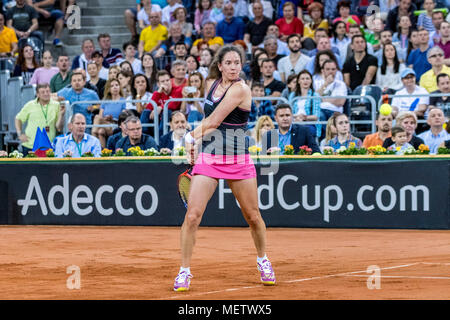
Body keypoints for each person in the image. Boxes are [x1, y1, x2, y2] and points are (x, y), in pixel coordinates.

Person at [174, 45, 275, 292]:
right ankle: (184, 271)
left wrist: (190, 137)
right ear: (220, 65)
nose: (233, 67)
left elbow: (215, 120)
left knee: (253, 217)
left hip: (238, 158)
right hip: (210, 157)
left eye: (237, 63)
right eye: (228, 63)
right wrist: (199, 142)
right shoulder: (212, 84)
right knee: (192, 216)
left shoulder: (241, 89)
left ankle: (263, 260)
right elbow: (212, 124)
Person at [15, 83, 65, 155]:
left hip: (48, 146)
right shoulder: (30, 105)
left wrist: (61, 114)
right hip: (30, 145)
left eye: (48, 91)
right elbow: (18, 119)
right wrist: (19, 134)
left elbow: (58, 128)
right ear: (37, 94)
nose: (46, 94)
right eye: (43, 92)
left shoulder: (56, 105)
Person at [141, 70, 183, 135]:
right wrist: (158, 93)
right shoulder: (157, 93)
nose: (166, 83)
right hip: (158, 119)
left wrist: (161, 107)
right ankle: (143, 135)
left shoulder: (178, 90)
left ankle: (162, 136)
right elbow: (149, 107)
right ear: (158, 84)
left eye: (167, 80)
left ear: (171, 80)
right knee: (146, 112)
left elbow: (173, 105)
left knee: (167, 111)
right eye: (163, 81)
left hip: (172, 117)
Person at [92, 78, 126, 148]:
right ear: (109, 89)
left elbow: (123, 117)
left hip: (115, 124)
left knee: (97, 120)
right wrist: (106, 118)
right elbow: (101, 116)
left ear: (120, 87)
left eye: (117, 85)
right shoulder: (105, 100)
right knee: (100, 130)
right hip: (104, 124)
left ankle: (93, 134)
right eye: (112, 86)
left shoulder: (123, 101)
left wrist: (112, 119)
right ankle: (104, 152)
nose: (115, 87)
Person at [291, 70, 321, 138]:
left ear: (311, 81)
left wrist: (304, 118)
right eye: (303, 79)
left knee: (302, 130)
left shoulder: (315, 95)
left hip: (309, 123)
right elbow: (289, 113)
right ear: (299, 81)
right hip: (295, 122)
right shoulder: (293, 95)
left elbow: (316, 116)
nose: (305, 81)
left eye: (307, 78)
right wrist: (297, 117)